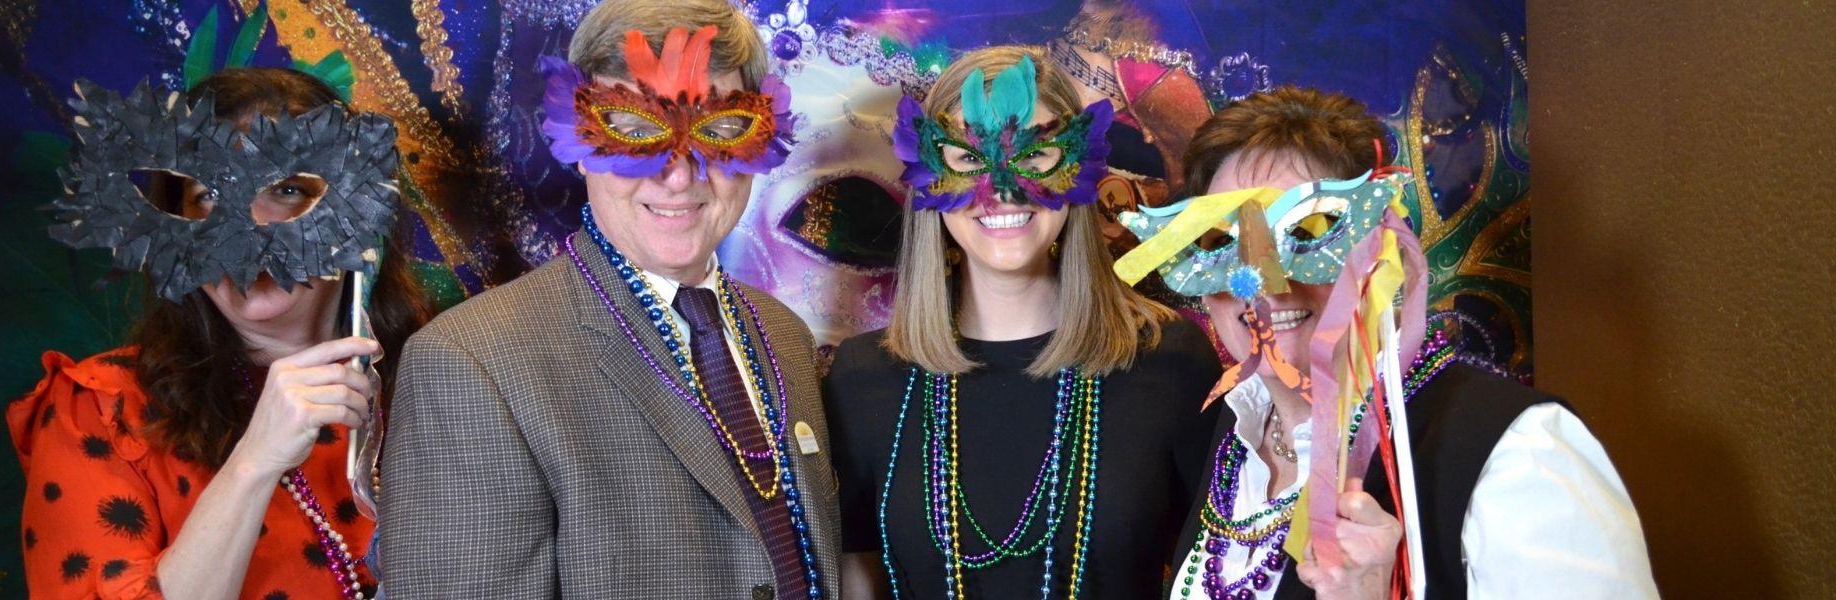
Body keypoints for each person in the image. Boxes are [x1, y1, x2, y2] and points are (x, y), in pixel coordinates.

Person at [376, 1, 840, 597]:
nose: (678, 176)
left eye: (720, 132)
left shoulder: (784, 337)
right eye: (637, 132)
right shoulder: (469, 362)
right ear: (577, 135)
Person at [1119, 86, 1656, 599]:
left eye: (1308, 233)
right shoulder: (1235, 439)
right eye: (1220, 241)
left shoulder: (1518, 452)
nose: (1266, 282)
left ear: (1377, 254)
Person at [8, 67, 433, 598]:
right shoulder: (101, 410)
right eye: (207, 196)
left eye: (285, 190)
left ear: (360, 210)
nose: (243, 233)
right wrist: (254, 463)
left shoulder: (444, 379)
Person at [824, 47, 1224, 599]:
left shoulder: (1170, 359)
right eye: (968, 159)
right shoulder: (863, 376)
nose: (1002, 188)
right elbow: (858, 572)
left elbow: (1219, 569)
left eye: (1036, 156)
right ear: (929, 179)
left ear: (1079, 166)